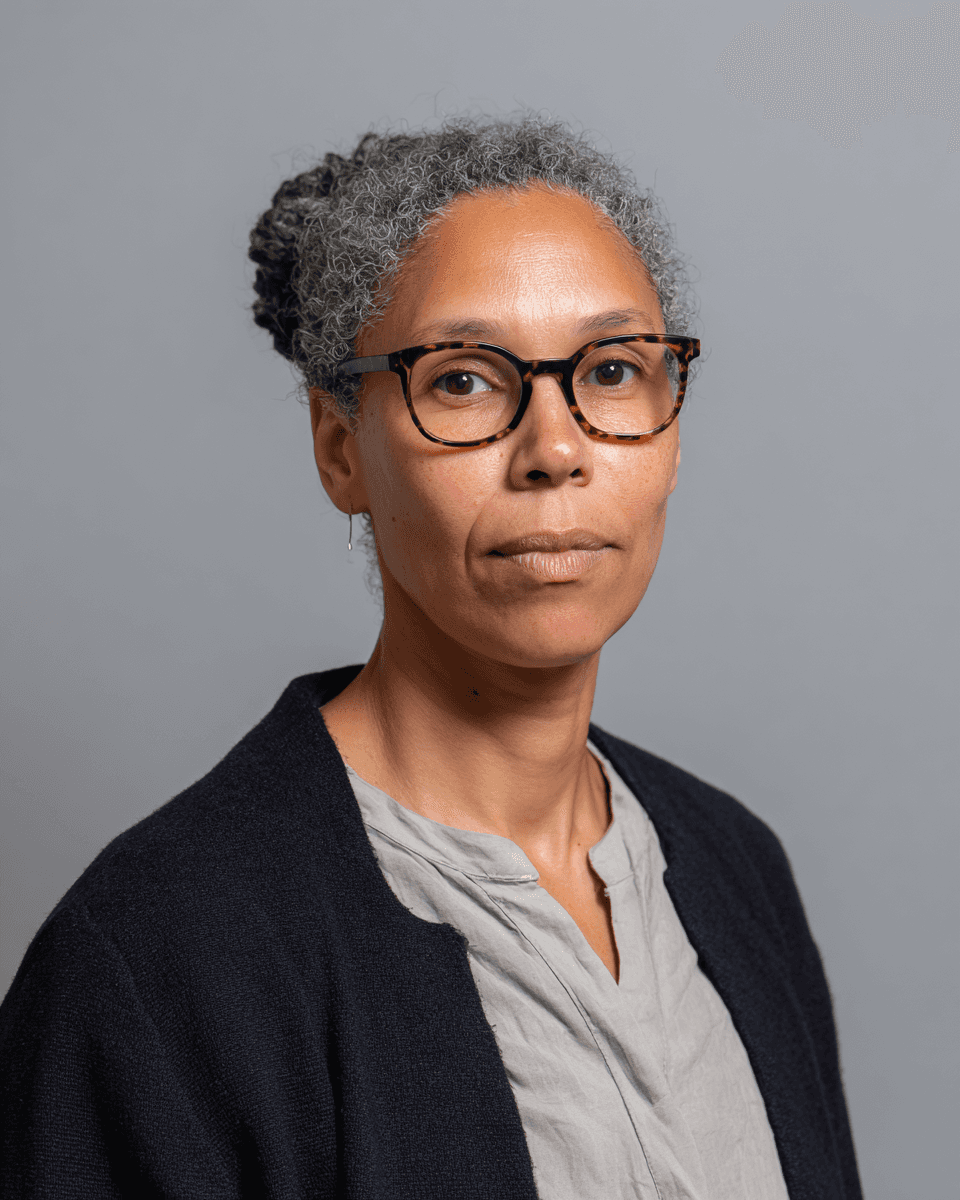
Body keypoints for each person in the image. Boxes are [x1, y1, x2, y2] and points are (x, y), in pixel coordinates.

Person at [0, 117, 862, 1200]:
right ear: (339, 449)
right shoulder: (159, 956)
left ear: (669, 432)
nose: (555, 449)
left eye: (609, 371)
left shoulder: (735, 868)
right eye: (462, 380)